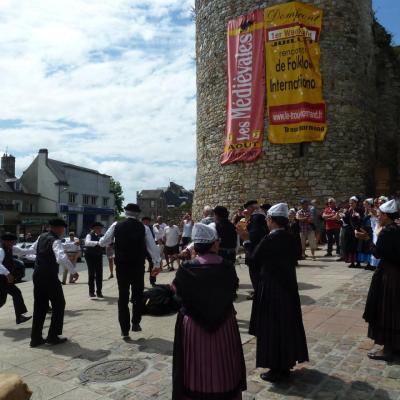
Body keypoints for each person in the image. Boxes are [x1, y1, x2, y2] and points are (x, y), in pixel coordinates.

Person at [172, 223, 246, 400]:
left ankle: (197, 391)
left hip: (194, 326)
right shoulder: (227, 266)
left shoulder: (186, 268)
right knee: (224, 359)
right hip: (224, 323)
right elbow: (232, 292)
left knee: (196, 361)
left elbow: (177, 292)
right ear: (213, 245)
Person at [248, 203, 309, 383]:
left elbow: (254, 260)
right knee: (287, 325)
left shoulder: (269, 239)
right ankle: (286, 363)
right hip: (288, 287)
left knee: (272, 327)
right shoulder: (291, 237)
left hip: (271, 287)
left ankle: (276, 367)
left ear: (272, 220)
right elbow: (297, 255)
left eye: (268, 219)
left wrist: (247, 244)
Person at [99, 204, 161, 337]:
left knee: (123, 297)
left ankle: (124, 329)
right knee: (137, 295)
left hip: (122, 267)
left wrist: (106, 242)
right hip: (138, 266)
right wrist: (157, 263)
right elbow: (152, 247)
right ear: (137, 214)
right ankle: (136, 323)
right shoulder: (143, 227)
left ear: (125, 213)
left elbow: (103, 242)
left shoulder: (116, 225)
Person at [356, 199, 400, 361]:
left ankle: (388, 348)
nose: (378, 216)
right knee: (394, 309)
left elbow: (378, 253)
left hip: (389, 275)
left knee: (386, 309)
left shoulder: (388, 231)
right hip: (395, 272)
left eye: (381, 214)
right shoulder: (396, 229)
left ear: (387, 216)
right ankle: (395, 345)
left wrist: (367, 238)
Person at [30, 218, 79, 347]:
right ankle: (53, 336)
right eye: (63, 228)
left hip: (38, 275)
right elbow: (61, 257)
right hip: (49, 276)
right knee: (59, 304)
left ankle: (35, 339)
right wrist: (73, 271)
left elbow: (31, 250)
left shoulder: (42, 237)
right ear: (58, 228)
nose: (63, 231)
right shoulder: (55, 240)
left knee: (39, 306)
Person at [0, 233, 32, 325]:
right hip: (2, 278)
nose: (13, 243)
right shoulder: (1, 250)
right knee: (16, 293)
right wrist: (8, 274)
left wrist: (38, 248)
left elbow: (24, 251)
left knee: (1, 300)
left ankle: (19, 316)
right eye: (10, 241)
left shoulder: (11, 249)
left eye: (13, 241)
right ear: (4, 241)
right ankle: (19, 317)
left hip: (5, 279)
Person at [243, 200, 268, 300]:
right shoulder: (261, 216)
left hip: (254, 250)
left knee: (254, 271)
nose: (246, 210)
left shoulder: (256, 217)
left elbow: (253, 236)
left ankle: (258, 292)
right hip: (262, 249)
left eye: (247, 208)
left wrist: (246, 243)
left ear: (251, 208)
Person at [85, 222, 104, 298]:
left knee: (99, 274)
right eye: (98, 228)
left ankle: (99, 292)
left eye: (100, 228)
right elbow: (87, 243)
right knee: (91, 273)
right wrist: (98, 243)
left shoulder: (102, 236)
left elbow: (106, 243)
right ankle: (91, 292)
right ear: (94, 229)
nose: (100, 229)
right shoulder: (89, 235)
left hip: (98, 255)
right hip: (90, 256)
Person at [342, 196, 362, 268]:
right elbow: (347, 221)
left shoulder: (359, 210)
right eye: (350, 203)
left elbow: (360, 221)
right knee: (350, 247)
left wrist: (358, 216)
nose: (350, 204)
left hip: (357, 230)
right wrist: (344, 215)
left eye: (352, 203)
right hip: (350, 231)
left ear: (356, 203)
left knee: (357, 247)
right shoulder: (349, 210)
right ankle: (352, 262)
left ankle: (358, 262)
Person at [356, 199, 374, 269]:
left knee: (369, 247)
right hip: (364, 230)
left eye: (365, 204)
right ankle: (367, 262)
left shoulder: (372, 212)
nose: (364, 206)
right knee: (364, 247)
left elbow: (365, 220)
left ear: (369, 205)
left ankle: (370, 263)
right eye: (364, 205)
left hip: (369, 230)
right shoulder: (364, 212)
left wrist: (360, 217)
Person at [142, 216, 157, 286]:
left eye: (147, 221)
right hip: (142, 248)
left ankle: (153, 280)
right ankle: (141, 282)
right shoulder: (140, 228)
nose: (146, 222)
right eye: (145, 221)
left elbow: (157, 234)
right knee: (141, 265)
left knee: (153, 264)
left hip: (150, 249)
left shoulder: (152, 228)